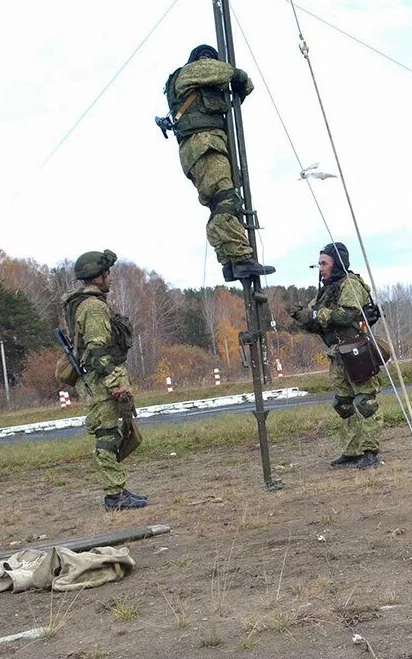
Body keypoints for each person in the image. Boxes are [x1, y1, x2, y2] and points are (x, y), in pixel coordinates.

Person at [162, 45, 274, 282]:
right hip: (204, 144)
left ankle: (230, 261)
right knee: (225, 200)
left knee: (219, 202)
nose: (208, 63)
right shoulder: (189, 73)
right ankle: (241, 259)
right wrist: (237, 75)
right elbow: (228, 74)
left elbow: (243, 89)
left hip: (206, 145)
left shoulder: (208, 86)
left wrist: (238, 83)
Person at [63, 249, 147, 511]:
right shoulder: (94, 308)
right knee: (108, 437)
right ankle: (115, 495)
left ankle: (117, 490)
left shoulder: (90, 305)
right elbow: (99, 352)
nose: (110, 277)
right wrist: (116, 386)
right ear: (96, 277)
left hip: (102, 380)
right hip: (103, 382)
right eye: (107, 273)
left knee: (114, 433)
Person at [291, 243, 382, 469]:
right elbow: (314, 317)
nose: (320, 268)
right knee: (344, 404)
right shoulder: (326, 289)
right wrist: (301, 316)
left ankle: (370, 450)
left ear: (337, 264)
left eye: (324, 263)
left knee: (365, 401)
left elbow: (346, 315)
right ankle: (352, 451)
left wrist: (316, 314)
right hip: (336, 354)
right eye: (318, 264)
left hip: (356, 349)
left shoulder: (350, 284)